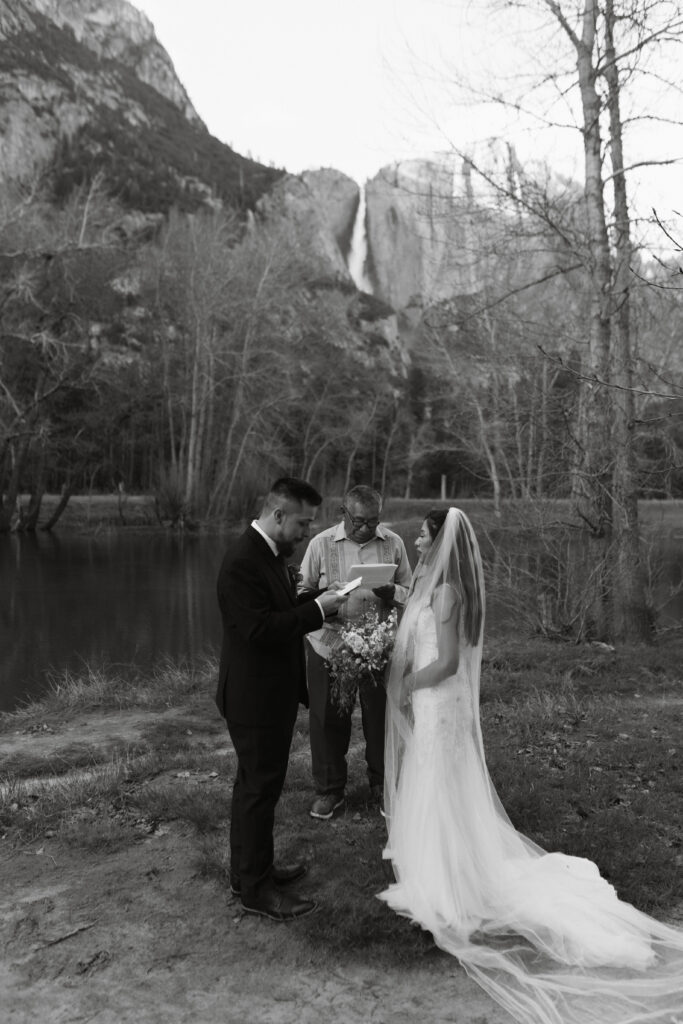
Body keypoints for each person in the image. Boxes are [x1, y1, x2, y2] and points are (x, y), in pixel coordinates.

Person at [378, 506, 683, 1024]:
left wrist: (408, 684)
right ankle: (448, 863)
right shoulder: (439, 586)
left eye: (424, 534)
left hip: (439, 701)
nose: (418, 540)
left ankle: (447, 880)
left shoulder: (448, 593)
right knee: (440, 783)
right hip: (440, 704)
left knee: (437, 782)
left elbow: (449, 661)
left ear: (442, 540)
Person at [215, 478, 349, 922]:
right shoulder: (241, 562)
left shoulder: (270, 555)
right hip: (253, 699)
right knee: (258, 789)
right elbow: (259, 630)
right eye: (303, 523)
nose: (307, 532)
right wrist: (318, 611)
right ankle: (256, 891)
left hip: (268, 694)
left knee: (258, 787)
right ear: (278, 516)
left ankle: (250, 871)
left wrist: (319, 597)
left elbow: (279, 608)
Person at [299, 485, 412, 820]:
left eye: (373, 521)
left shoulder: (393, 543)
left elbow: (412, 589)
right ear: (343, 513)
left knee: (380, 718)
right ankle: (330, 790)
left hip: (378, 645)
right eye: (359, 521)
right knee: (327, 718)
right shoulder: (320, 544)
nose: (366, 528)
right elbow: (301, 592)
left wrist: (394, 591)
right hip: (329, 644)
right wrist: (325, 596)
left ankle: (382, 785)